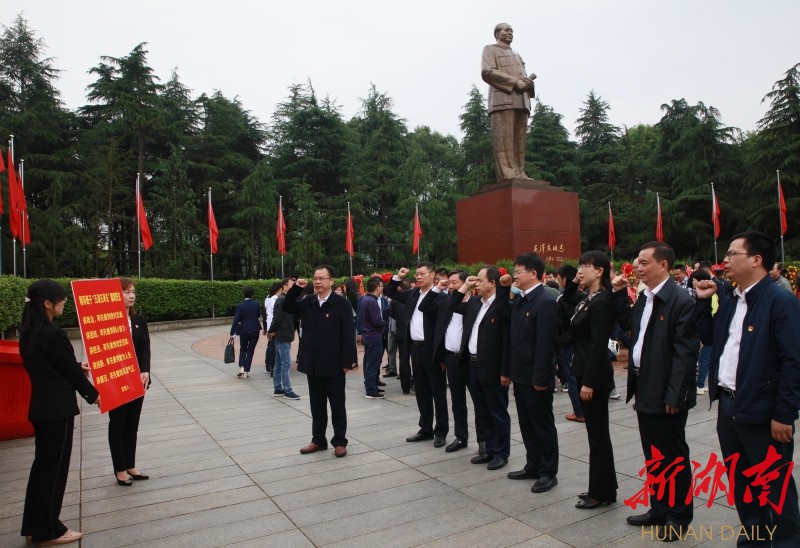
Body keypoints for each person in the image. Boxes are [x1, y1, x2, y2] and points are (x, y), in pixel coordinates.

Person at [696, 231, 800, 545]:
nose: (725, 260)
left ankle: (786, 541)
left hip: (763, 409)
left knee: (774, 485)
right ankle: (754, 538)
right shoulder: (732, 298)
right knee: (742, 483)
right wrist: (703, 303)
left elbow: (793, 361)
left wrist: (784, 413)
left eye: (732, 254)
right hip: (729, 405)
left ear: (756, 260)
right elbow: (709, 338)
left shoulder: (780, 301)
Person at [611, 241, 699, 540]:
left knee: (673, 457)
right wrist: (620, 294)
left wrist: (675, 394)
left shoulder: (679, 300)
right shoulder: (645, 297)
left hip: (667, 392)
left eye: (644, 262)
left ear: (663, 265)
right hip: (645, 385)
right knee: (654, 454)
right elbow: (631, 328)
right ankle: (659, 508)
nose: (638, 267)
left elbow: (685, 353)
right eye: (637, 262)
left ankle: (678, 515)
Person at [20, 280, 99, 546]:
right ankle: (49, 531)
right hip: (58, 411)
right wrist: (95, 395)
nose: (64, 302)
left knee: (41, 470)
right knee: (54, 473)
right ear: (47, 304)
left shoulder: (29, 332)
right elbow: (69, 372)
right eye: (61, 299)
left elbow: (53, 364)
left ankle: (34, 527)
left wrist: (76, 366)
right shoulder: (53, 334)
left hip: (41, 408)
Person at [283, 265, 357, 458]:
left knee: (337, 406)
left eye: (322, 278)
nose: (317, 282)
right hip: (313, 364)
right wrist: (297, 288)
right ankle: (318, 440)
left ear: (331, 281)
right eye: (315, 278)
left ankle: (339, 441)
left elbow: (349, 335)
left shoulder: (342, 304)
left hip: (334, 365)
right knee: (317, 406)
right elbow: (287, 306)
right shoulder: (308, 302)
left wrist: (347, 362)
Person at [506, 253, 560, 493]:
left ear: (533, 273)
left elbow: (545, 344)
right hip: (520, 375)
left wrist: (540, 377)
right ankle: (533, 464)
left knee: (542, 425)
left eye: (518, 272)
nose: (515, 276)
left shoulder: (544, 301)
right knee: (527, 424)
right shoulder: (521, 299)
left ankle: (548, 472)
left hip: (536, 377)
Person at [569, 252, 618, 509]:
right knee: (596, 435)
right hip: (584, 370)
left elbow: (599, 346)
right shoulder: (588, 298)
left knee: (598, 436)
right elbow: (565, 309)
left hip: (594, 376)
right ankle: (603, 487)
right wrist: (573, 283)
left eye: (585, 266)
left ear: (599, 271)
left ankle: (600, 493)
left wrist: (589, 382)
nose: (580, 270)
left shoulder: (601, 302)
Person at [385, 262, 449, 448]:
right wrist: (398, 277)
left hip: (433, 350)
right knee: (421, 391)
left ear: (433, 275)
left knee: (438, 392)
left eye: (422, 274)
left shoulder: (441, 297)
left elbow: (444, 328)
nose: (418, 277)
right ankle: (425, 428)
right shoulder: (412, 294)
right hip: (416, 349)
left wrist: (443, 356)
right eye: (417, 274)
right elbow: (390, 292)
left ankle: (441, 430)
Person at [453, 267, 512, 470]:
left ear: (492, 283)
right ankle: (488, 449)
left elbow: (507, 341)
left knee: (497, 411)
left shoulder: (502, 305)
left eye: (479, 280)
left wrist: (505, 371)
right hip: (472, 364)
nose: (476, 283)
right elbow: (453, 305)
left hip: (493, 367)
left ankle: (501, 453)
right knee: (481, 410)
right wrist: (466, 286)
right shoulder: (476, 303)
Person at [420, 270, 471, 453]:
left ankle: (484, 441)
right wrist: (437, 288)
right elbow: (424, 306)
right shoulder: (445, 303)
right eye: (448, 283)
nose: (450, 286)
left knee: (480, 402)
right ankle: (461, 437)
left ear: (466, 284)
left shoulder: (475, 303)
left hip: (470, 359)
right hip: (450, 357)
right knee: (457, 401)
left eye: (454, 283)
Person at [109, 278, 152, 487]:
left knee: (132, 424)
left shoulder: (139, 320)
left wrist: (145, 370)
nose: (131, 296)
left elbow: (145, 348)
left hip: (137, 380)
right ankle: (120, 468)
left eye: (133, 292)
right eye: (126, 292)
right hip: (116, 380)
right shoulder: (107, 322)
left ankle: (130, 465)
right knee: (118, 424)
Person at [481, 23, 535, 181]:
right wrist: (515, 82)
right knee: (504, 139)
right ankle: (507, 172)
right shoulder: (490, 49)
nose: (510, 32)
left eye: (512, 30)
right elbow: (487, 71)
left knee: (519, 141)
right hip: (502, 100)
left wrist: (528, 84)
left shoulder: (517, 55)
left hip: (521, 101)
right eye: (506, 30)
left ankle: (520, 171)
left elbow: (523, 77)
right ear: (497, 34)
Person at [555, 264, 585, 423]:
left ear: (564, 279)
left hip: (568, 342)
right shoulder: (585, 296)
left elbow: (558, 323)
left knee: (572, 377)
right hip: (582, 341)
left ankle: (579, 412)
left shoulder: (562, 298)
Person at [268, 278, 300, 400]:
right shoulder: (282, 300)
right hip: (283, 335)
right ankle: (287, 390)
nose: (294, 288)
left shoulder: (285, 299)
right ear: (285, 287)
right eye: (292, 285)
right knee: (285, 363)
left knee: (279, 363)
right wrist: (271, 330)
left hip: (283, 334)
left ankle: (278, 388)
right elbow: (277, 318)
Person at [360, 276, 386, 399]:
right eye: (381, 286)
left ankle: (373, 386)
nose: (382, 288)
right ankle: (370, 390)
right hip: (374, 336)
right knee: (373, 364)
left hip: (368, 336)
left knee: (370, 363)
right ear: (377, 288)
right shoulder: (372, 301)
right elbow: (376, 321)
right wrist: (384, 323)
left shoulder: (365, 299)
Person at [229, 286, 263, 378]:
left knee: (243, 349)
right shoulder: (256, 304)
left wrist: (232, 333)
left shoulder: (240, 306)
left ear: (244, 294)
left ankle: (242, 367)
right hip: (255, 329)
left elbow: (236, 320)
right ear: (253, 294)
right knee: (250, 351)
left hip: (243, 329)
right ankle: (246, 371)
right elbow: (258, 315)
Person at [263, 281, 283, 375]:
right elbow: (273, 316)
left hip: (270, 326)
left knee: (271, 346)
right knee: (272, 347)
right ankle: (271, 366)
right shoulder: (274, 300)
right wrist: (272, 329)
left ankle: (269, 365)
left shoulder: (269, 298)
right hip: (273, 327)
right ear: (280, 289)